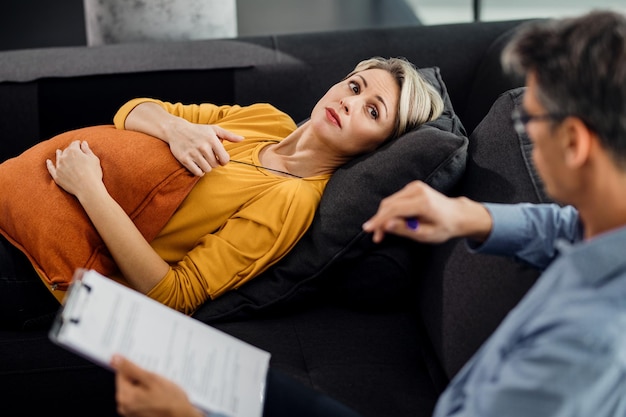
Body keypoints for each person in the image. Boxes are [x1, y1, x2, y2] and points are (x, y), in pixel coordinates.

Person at [112, 9, 626, 417]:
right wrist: (472, 218)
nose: (525, 135)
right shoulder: (607, 234)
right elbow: (567, 228)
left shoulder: (583, 347)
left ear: (576, 143)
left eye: (530, 121)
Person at [0, 56, 444, 329]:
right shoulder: (268, 120)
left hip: (33, 264)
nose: (349, 101)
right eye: (354, 85)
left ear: (377, 146)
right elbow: (131, 110)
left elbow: (173, 297)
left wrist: (89, 189)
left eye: (372, 110)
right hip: (22, 189)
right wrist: (177, 129)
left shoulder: (292, 201)